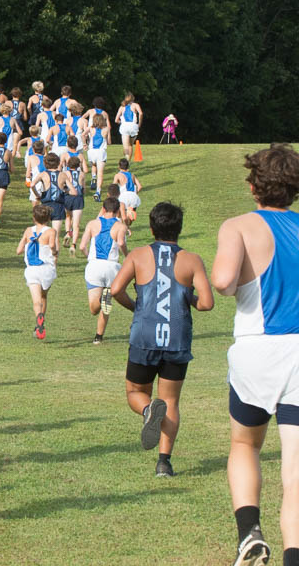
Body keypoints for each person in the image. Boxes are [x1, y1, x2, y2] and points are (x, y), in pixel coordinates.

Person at [209, 144, 299, 566]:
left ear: (253, 185)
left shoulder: (237, 226)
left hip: (256, 352)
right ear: (297, 187)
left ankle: (249, 532)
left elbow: (222, 281)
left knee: (244, 444)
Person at [110, 203, 214, 477]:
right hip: (177, 340)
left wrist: (136, 306)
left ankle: (146, 410)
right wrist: (187, 297)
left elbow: (115, 289)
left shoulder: (138, 255)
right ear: (179, 229)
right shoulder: (192, 260)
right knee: (171, 402)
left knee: (135, 392)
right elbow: (207, 303)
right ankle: (164, 463)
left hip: (144, 336)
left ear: (152, 227)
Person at [79, 197, 128, 345]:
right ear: (118, 210)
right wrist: (128, 256)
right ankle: (98, 337)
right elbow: (120, 243)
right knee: (106, 302)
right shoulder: (121, 226)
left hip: (94, 266)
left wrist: (89, 257)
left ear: (104, 209)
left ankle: (99, 334)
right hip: (112, 267)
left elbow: (82, 246)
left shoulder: (92, 224)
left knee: (94, 308)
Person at [16, 204, 58, 341]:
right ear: (49, 218)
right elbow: (52, 246)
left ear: (34, 218)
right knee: (44, 295)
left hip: (32, 270)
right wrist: (54, 251)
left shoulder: (28, 230)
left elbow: (18, 250)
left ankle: (38, 318)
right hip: (46, 269)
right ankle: (40, 321)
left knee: (36, 301)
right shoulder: (51, 231)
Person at [113, 158, 142, 224]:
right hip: (134, 197)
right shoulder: (132, 175)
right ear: (128, 166)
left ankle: (121, 229)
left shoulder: (118, 175)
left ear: (119, 166)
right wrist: (135, 193)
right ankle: (128, 227)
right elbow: (140, 186)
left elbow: (113, 187)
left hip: (124, 196)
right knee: (129, 216)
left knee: (120, 215)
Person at [114, 92, 142, 160]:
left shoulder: (122, 107)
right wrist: (139, 124)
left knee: (125, 146)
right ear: (133, 98)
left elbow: (116, 120)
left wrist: (122, 122)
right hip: (133, 126)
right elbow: (141, 113)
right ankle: (128, 161)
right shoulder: (136, 105)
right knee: (130, 145)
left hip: (124, 126)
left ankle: (126, 159)